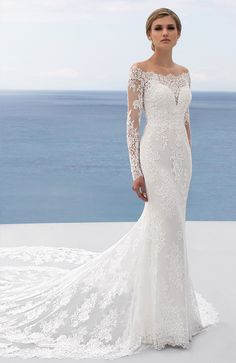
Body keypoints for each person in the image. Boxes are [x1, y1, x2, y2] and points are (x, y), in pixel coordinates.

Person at [0, 7, 219, 361]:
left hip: (182, 163)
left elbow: (186, 119)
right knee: (164, 229)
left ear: (179, 34)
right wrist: (136, 170)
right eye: (158, 28)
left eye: (171, 27)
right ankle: (159, 324)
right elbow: (132, 123)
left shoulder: (184, 74)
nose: (165, 32)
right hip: (155, 157)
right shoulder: (139, 72)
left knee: (174, 231)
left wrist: (188, 156)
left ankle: (178, 315)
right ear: (149, 35)